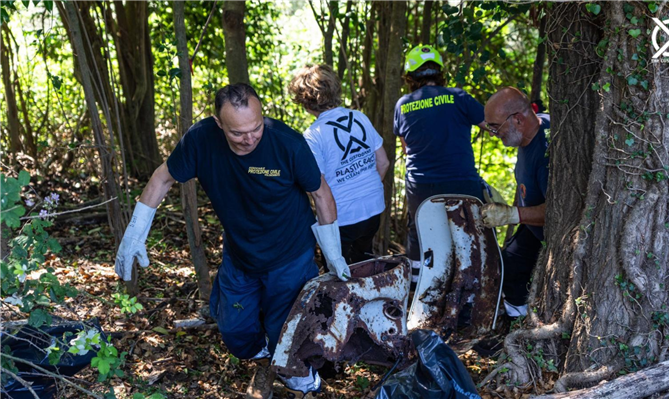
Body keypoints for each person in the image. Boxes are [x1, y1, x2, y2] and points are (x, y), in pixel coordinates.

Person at [114, 84, 349, 399]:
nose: (250, 138)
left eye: (255, 128)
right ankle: (264, 357)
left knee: (288, 331)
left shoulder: (286, 143)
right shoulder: (201, 140)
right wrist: (136, 230)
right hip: (241, 256)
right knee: (235, 332)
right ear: (218, 122)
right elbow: (162, 177)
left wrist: (333, 253)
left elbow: (320, 193)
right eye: (238, 133)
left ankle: (296, 372)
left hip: (290, 254)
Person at [393, 45, 488, 284]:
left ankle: (417, 289)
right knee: (468, 236)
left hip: (422, 186)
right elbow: (492, 125)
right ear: (440, 72)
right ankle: (469, 292)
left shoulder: (403, 105)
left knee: (419, 234)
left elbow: (406, 148)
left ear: (410, 76)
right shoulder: (459, 96)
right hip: (462, 182)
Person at [289, 64, 390, 264]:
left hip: (342, 216)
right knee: (364, 264)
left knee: (338, 275)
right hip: (374, 210)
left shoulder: (313, 135)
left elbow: (319, 187)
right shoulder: (360, 117)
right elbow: (384, 162)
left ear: (305, 102)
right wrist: (364, 189)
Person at [481, 86, 550, 318]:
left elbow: (557, 211)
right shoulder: (529, 132)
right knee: (506, 265)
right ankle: (514, 318)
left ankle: (522, 322)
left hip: (549, 231)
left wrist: (512, 215)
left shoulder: (546, 154)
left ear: (518, 119)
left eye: (495, 127)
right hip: (531, 226)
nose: (493, 133)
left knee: (515, 272)